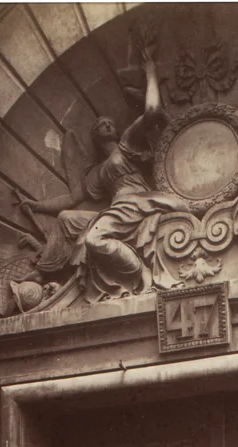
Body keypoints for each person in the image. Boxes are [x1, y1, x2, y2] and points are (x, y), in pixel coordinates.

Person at [19, 40, 182, 300]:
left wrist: (151, 72)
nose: (105, 125)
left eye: (108, 123)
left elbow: (151, 111)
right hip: (115, 210)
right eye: (99, 125)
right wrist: (37, 206)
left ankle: (141, 275)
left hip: (136, 204)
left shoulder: (127, 144)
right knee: (64, 218)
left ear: (116, 129)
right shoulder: (96, 172)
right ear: (94, 136)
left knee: (94, 241)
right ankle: (42, 272)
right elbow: (72, 199)